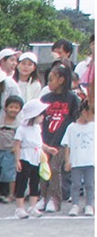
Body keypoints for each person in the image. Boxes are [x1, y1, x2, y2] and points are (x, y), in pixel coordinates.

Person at [39, 64, 82, 212]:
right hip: (46, 140)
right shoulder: (45, 98)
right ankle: (43, 197)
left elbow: (77, 119)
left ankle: (54, 199)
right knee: (43, 168)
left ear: (62, 80)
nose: (48, 83)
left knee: (55, 169)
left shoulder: (72, 99)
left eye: (51, 79)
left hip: (63, 141)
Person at [13, 98, 50, 218]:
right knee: (22, 182)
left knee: (35, 182)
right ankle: (19, 208)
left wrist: (48, 149)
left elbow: (39, 143)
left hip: (36, 156)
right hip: (26, 156)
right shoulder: (22, 129)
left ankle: (33, 206)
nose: (42, 117)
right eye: (40, 115)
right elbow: (17, 146)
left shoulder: (37, 128)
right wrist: (17, 160)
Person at [0, 95, 24, 203]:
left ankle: (11, 194)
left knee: (9, 173)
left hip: (10, 151)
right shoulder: (1, 119)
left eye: (16, 108)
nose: (13, 110)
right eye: (11, 107)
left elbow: (20, 139)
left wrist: (16, 148)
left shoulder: (19, 124)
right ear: (6, 108)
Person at [61, 98, 94, 216]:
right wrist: (67, 160)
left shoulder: (94, 126)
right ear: (84, 112)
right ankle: (75, 205)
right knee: (75, 184)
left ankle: (89, 205)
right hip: (76, 161)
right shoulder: (72, 127)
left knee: (90, 184)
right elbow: (67, 145)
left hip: (90, 161)